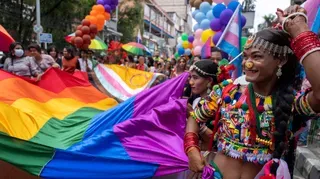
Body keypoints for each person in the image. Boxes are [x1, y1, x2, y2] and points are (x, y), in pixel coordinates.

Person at [185, 5, 320, 179]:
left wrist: (300, 31)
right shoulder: (227, 93)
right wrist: (192, 149)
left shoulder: (290, 102)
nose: (247, 64)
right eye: (246, 56)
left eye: (256, 57)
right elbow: (195, 118)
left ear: (281, 60)